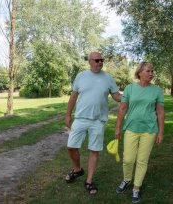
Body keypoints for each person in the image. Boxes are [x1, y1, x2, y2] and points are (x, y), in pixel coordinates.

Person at [64, 52, 121, 195]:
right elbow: (73, 97)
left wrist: (131, 96)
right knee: (71, 146)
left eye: (102, 60)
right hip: (80, 118)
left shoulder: (108, 78)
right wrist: (68, 115)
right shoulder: (81, 76)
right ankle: (77, 170)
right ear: (89, 61)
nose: (100, 62)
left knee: (94, 150)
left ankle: (89, 181)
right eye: (97, 60)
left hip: (98, 121)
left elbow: (116, 95)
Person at [115, 62, 164, 203]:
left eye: (152, 71)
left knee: (142, 160)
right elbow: (122, 109)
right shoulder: (130, 89)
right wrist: (118, 128)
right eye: (148, 71)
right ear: (140, 73)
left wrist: (161, 132)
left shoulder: (157, 91)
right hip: (131, 128)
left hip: (149, 130)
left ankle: (136, 188)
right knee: (128, 159)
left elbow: (160, 112)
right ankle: (126, 179)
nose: (151, 73)